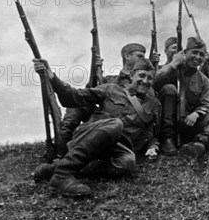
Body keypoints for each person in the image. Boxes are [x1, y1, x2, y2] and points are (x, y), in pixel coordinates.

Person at [32, 58, 161, 197]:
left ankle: (55, 168)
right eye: (141, 76)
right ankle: (62, 175)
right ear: (131, 76)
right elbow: (73, 97)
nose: (145, 81)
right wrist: (51, 76)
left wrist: (152, 147)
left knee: (128, 162)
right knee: (116, 124)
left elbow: (149, 134)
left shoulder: (154, 105)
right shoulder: (111, 88)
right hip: (90, 137)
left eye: (150, 78)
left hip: (115, 147)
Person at [58, 43, 149, 156]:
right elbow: (89, 93)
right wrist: (95, 75)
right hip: (101, 120)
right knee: (79, 103)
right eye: (140, 56)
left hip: (123, 128)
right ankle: (62, 144)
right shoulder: (110, 80)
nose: (144, 59)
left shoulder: (145, 83)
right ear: (127, 56)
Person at [153, 37, 209, 158]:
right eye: (194, 52)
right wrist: (175, 63)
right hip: (167, 124)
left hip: (188, 124)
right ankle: (168, 139)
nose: (198, 57)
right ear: (185, 53)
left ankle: (199, 143)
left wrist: (196, 114)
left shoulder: (204, 80)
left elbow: (206, 104)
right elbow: (155, 81)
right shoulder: (171, 69)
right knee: (169, 89)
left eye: (201, 54)